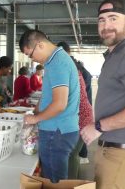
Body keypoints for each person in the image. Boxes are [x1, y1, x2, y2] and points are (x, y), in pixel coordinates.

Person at [19, 29, 80, 183]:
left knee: (54, 182)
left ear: (39, 45)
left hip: (56, 131)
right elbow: (49, 95)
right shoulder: (54, 61)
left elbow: (60, 104)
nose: (32, 60)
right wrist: (36, 110)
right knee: (54, 178)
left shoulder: (57, 63)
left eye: (30, 54)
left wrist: (36, 118)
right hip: (59, 129)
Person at [80, 0, 125, 189]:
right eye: (101, 20)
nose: (106, 25)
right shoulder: (114, 55)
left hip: (120, 154)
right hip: (110, 150)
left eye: (113, 18)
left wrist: (99, 126)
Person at [57, 41, 93, 179]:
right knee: (73, 153)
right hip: (80, 117)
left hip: (79, 118)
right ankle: (71, 182)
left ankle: (69, 184)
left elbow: (61, 102)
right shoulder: (73, 68)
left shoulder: (67, 70)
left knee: (71, 154)